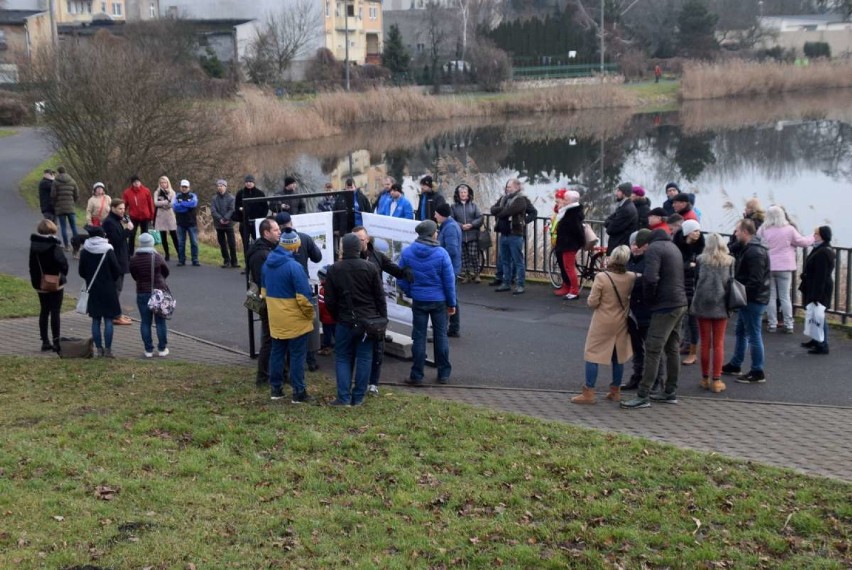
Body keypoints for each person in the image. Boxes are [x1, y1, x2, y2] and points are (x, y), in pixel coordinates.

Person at [620, 228, 688, 409]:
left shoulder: (654, 250)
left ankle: (643, 395)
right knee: (672, 348)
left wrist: (649, 300)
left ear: (646, 244)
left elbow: (650, 278)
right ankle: (670, 391)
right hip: (680, 303)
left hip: (664, 306)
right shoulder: (673, 247)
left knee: (652, 349)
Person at [324, 233, 387, 406]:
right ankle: (358, 397)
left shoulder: (335, 269)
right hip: (368, 321)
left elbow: (329, 300)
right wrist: (382, 319)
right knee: (365, 357)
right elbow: (379, 297)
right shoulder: (370, 268)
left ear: (343, 248)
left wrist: (337, 316)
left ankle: (343, 397)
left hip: (345, 320)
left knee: (343, 357)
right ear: (359, 248)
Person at [572, 245, 635, 404]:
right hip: (621, 321)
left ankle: (589, 392)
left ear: (612, 258)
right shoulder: (631, 277)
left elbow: (592, 302)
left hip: (602, 321)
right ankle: (615, 391)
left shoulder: (602, 277)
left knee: (592, 354)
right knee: (618, 356)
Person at [398, 220, 457, 386]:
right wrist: (451, 303)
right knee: (441, 336)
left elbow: (400, 277)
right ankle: (443, 373)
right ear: (432, 234)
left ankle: (417, 375)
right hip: (439, 301)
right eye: (436, 231)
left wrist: (411, 291)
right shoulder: (441, 253)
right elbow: (449, 281)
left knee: (419, 337)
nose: (437, 233)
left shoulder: (407, 252)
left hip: (419, 300)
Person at [353, 226, 410, 395]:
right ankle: (356, 381)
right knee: (358, 348)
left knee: (378, 347)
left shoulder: (376, 255)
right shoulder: (348, 258)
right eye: (355, 240)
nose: (358, 243)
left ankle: (373, 383)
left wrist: (407, 271)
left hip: (376, 308)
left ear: (367, 239)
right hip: (356, 309)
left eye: (361, 240)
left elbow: (395, 270)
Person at [262, 228, 316, 402]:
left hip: (276, 318)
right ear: (294, 247)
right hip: (295, 321)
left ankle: (276, 389)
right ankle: (299, 393)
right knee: (297, 356)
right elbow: (304, 298)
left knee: (277, 353)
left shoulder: (267, 263)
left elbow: (263, 291)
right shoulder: (294, 267)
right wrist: (310, 315)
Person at [721, 219, 771, 384]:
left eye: (736, 231)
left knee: (753, 334)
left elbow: (755, 280)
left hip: (753, 299)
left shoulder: (754, 252)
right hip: (753, 297)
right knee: (741, 331)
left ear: (744, 232)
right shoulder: (751, 248)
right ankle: (736, 363)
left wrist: (741, 295)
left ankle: (757, 370)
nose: (734, 234)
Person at [276, 211, 323, 372]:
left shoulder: (277, 242)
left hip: (283, 288)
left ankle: (288, 361)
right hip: (303, 283)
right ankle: (311, 360)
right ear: (291, 222)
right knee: (307, 322)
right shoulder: (304, 237)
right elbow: (317, 257)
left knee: (288, 323)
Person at [757, 205, 814, 333]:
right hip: (785, 267)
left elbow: (759, 243)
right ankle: (789, 324)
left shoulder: (763, 230)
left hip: (769, 265)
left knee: (771, 296)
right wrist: (813, 237)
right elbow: (802, 242)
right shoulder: (789, 229)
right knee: (785, 296)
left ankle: (772, 324)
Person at [690, 233, 735, 393]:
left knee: (705, 343)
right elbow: (731, 281)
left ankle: (704, 378)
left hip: (702, 304)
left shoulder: (701, 260)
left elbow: (696, 280)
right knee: (718, 343)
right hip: (721, 304)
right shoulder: (729, 261)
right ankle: (716, 379)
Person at [623, 229, 665, 392]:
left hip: (648, 310)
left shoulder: (651, 260)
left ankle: (657, 378)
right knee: (636, 347)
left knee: (653, 347)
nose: (636, 247)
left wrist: (634, 279)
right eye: (633, 244)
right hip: (632, 311)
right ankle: (637, 375)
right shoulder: (628, 261)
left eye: (639, 244)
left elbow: (650, 281)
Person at [246, 218, 281, 387]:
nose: (279, 232)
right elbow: (263, 281)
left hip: (269, 300)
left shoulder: (264, 249)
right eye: (275, 230)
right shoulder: (261, 254)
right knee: (269, 339)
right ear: (266, 233)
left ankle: (273, 372)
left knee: (272, 337)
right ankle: (263, 376)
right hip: (267, 301)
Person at [78, 226, 122, 358]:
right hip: (108, 288)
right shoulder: (108, 250)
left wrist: (90, 278)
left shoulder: (85, 250)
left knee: (95, 320)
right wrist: (110, 280)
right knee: (108, 319)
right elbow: (117, 270)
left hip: (92, 289)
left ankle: (99, 349)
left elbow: (81, 271)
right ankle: (108, 350)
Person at [29, 219, 68, 353]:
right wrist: (63, 274)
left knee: (44, 310)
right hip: (56, 282)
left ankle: (45, 341)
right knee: (55, 311)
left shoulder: (34, 246)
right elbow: (63, 264)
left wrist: (36, 281)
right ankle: (56, 341)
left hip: (40, 283)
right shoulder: (55, 246)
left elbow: (32, 266)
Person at [129, 232, 170, 358]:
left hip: (142, 292)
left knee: (145, 322)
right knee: (160, 322)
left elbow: (134, 275)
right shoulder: (157, 257)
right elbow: (166, 272)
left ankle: (148, 350)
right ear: (152, 243)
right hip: (158, 292)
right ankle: (162, 349)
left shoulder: (134, 259)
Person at [673, 219, 705, 366]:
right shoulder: (678, 244)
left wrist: (692, 265)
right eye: (695, 231)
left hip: (694, 285)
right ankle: (684, 344)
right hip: (680, 283)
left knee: (692, 320)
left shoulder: (701, 246)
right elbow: (676, 264)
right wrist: (688, 265)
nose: (698, 233)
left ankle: (693, 351)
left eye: (698, 231)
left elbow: (701, 265)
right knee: (680, 318)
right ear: (687, 232)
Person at [490, 179, 530, 295]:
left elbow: (508, 211)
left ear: (517, 188)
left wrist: (500, 212)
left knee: (518, 261)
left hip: (515, 234)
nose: (508, 189)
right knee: (505, 260)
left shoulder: (521, 200)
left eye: (510, 187)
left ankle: (520, 285)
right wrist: (502, 211)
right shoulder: (503, 198)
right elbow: (493, 209)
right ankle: (505, 282)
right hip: (504, 234)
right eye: (507, 187)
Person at [800, 226, 835, 355]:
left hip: (819, 289)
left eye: (816, 234)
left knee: (820, 316)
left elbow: (821, 276)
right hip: (815, 286)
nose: (813, 236)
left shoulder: (823, 253)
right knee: (815, 315)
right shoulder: (820, 249)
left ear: (822, 236)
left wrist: (816, 295)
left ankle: (823, 344)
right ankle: (816, 340)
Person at [100, 198, 133, 326]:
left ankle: (116, 312)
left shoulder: (117, 220)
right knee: (116, 288)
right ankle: (114, 315)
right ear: (113, 208)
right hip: (115, 259)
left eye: (124, 209)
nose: (122, 211)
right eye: (120, 209)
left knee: (118, 287)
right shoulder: (109, 222)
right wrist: (128, 231)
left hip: (121, 257)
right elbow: (116, 240)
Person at [551, 188, 585, 299]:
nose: (563, 200)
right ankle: (567, 287)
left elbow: (577, 230)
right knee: (565, 267)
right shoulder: (567, 211)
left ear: (570, 201)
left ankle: (574, 291)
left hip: (569, 244)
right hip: (564, 243)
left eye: (565, 199)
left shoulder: (572, 213)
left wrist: (580, 243)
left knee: (569, 268)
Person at [435, 203, 462, 336]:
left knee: (448, 298)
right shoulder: (448, 225)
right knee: (452, 297)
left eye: (436, 213)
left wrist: (439, 259)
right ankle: (453, 328)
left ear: (441, 214)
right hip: (451, 267)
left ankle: (445, 329)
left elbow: (452, 250)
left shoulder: (450, 228)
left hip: (449, 268)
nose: (434, 216)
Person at [450, 183, 483, 283]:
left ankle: (477, 274)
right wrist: (461, 225)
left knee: (473, 255)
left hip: (472, 235)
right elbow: (451, 219)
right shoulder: (454, 206)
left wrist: (471, 224)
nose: (463, 194)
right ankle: (467, 275)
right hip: (461, 235)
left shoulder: (474, 206)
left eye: (465, 192)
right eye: (461, 192)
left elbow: (480, 218)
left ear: (468, 194)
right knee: (463, 257)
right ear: (458, 194)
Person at [234, 175, 268, 255]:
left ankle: (258, 259)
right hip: (244, 222)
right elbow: (236, 206)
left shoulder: (260, 193)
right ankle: (247, 262)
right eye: (247, 182)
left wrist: (261, 219)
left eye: (250, 182)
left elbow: (265, 207)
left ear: (254, 183)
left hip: (256, 222)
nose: (249, 183)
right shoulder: (240, 193)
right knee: (245, 244)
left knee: (258, 242)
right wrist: (240, 209)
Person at [122, 175, 155, 256]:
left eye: (138, 182)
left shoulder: (146, 191)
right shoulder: (127, 192)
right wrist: (122, 214)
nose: (136, 184)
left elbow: (150, 204)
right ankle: (130, 253)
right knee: (132, 234)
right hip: (134, 216)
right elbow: (124, 204)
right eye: (134, 182)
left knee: (145, 235)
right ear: (132, 183)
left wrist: (152, 216)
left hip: (145, 216)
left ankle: (145, 252)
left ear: (140, 182)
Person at [211, 179, 240, 268]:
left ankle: (234, 262)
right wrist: (220, 219)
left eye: (222, 186)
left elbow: (232, 209)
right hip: (219, 225)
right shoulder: (214, 198)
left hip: (229, 224)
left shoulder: (231, 198)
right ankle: (226, 261)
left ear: (225, 187)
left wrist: (226, 218)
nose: (220, 187)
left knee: (232, 243)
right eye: (218, 186)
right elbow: (213, 210)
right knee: (222, 243)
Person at [604, 182, 638, 254]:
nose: (616, 193)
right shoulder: (624, 206)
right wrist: (610, 222)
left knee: (615, 265)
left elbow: (611, 229)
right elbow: (609, 220)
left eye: (619, 191)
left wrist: (609, 223)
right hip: (619, 245)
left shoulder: (626, 209)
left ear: (624, 193)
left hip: (620, 247)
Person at [50, 166, 79, 251]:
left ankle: (66, 246)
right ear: (65, 171)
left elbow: (53, 195)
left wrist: (55, 204)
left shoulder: (55, 182)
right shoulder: (72, 181)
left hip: (60, 208)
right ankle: (76, 245)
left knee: (63, 227)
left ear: (58, 172)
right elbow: (77, 194)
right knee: (74, 227)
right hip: (70, 207)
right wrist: (73, 202)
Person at [172, 179, 200, 267]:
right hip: (180, 223)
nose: (184, 188)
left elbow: (194, 204)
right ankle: (181, 260)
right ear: (180, 187)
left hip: (192, 223)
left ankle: (195, 259)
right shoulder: (177, 196)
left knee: (194, 242)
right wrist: (186, 206)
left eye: (185, 187)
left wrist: (182, 204)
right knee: (181, 243)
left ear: (189, 187)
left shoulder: (193, 196)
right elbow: (175, 207)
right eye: (182, 187)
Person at [153, 176, 179, 262]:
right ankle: (167, 254)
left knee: (174, 235)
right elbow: (156, 203)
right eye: (161, 183)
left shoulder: (172, 192)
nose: (163, 184)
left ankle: (179, 253)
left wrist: (164, 203)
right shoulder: (157, 192)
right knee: (163, 236)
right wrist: (165, 202)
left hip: (170, 215)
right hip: (161, 216)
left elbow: (172, 204)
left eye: (165, 182)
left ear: (168, 183)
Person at [316, 265, 336, 356]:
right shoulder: (335, 288)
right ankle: (337, 346)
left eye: (321, 278)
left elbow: (321, 306)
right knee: (335, 332)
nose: (320, 280)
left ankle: (327, 347)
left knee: (327, 333)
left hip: (326, 318)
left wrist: (319, 316)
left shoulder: (323, 290)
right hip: (333, 317)